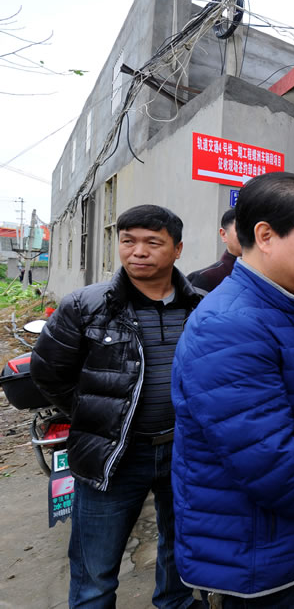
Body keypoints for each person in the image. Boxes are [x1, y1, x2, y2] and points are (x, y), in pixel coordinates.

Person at [171, 172, 294, 609]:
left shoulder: (283, 305)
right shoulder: (232, 325)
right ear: (265, 235)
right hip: (252, 556)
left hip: (282, 539)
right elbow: (272, 466)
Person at [30, 205, 204, 609]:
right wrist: (96, 414)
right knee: (95, 571)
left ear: (177, 249)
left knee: (182, 547)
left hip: (185, 450)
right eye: (128, 241)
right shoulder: (85, 305)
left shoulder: (200, 307)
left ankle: (175, 603)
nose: (137, 251)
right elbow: (48, 372)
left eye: (152, 242)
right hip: (115, 454)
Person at [186, 207, 240, 291]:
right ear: (223, 234)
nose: (248, 235)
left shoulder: (264, 275)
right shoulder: (204, 278)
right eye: (241, 230)